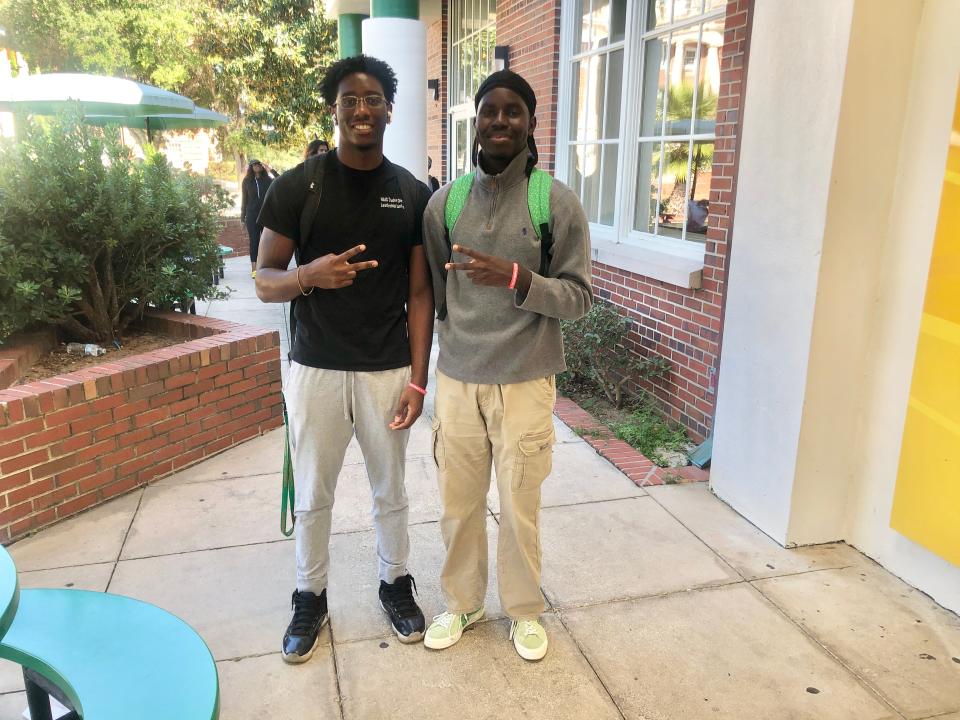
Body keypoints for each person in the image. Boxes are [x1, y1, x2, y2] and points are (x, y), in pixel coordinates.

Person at [254, 54, 434, 664]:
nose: (363, 109)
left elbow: (419, 293)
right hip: (315, 367)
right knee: (313, 490)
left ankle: (395, 581)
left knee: (392, 488)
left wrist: (417, 379)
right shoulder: (297, 186)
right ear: (334, 109)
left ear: (389, 109)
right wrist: (310, 275)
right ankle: (311, 594)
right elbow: (263, 279)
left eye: (374, 98)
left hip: (385, 368)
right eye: (350, 99)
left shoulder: (411, 192)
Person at [421, 70, 592, 661]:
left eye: (513, 111)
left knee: (521, 504)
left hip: (526, 379)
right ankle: (462, 603)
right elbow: (439, 294)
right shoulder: (445, 203)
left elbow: (578, 297)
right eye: (489, 110)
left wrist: (516, 278)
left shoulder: (555, 202)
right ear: (476, 121)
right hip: (459, 378)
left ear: (531, 122)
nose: (500, 120)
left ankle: (522, 611)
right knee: (458, 503)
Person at [240, 159, 278, 279]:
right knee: (254, 241)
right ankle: (254, 270)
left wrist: (270, 169)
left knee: (268, 242)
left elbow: (280, 180)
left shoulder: (268, 180)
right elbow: (244, 200)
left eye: (259, 164)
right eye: (254, 165)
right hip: (252, 216)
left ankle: (268, 268)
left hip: (266, 214)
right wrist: (242, 217)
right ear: (251, 167)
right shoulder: (246, 181)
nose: (257, 166)